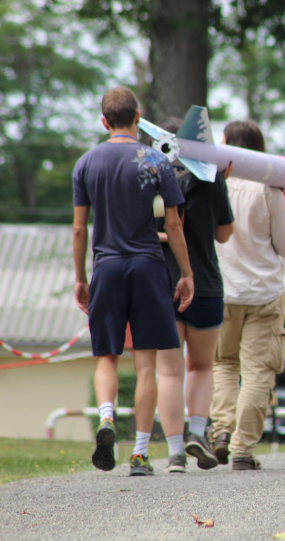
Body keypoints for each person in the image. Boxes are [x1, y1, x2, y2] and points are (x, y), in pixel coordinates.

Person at [72, 87, 193, 477]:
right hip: (147, 265)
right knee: (147, 364)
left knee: (106, 356)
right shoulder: (156, 161)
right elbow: (173, 224)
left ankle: (107, 417)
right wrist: (187, 274)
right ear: (138, 117)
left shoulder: (86, 163)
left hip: (106, 266)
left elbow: (78, 230)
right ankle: (140, 454)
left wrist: (80, 277)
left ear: (104, 121)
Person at [209, 120, 285, 471]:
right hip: (263, 294)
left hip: (223, 291)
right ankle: (242, 450)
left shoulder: (216, 183)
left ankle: (220, 432)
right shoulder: (271, 188)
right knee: (258, 371)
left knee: (223, 364)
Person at [154, 118, 234, 473]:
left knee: (169, 373)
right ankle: (198, 434)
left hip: (162, 284)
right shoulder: (211, 176)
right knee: (202, 366)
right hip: (205, 284)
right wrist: (221, 188)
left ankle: (173, 453)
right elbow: (225, 234)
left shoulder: (152, 177)